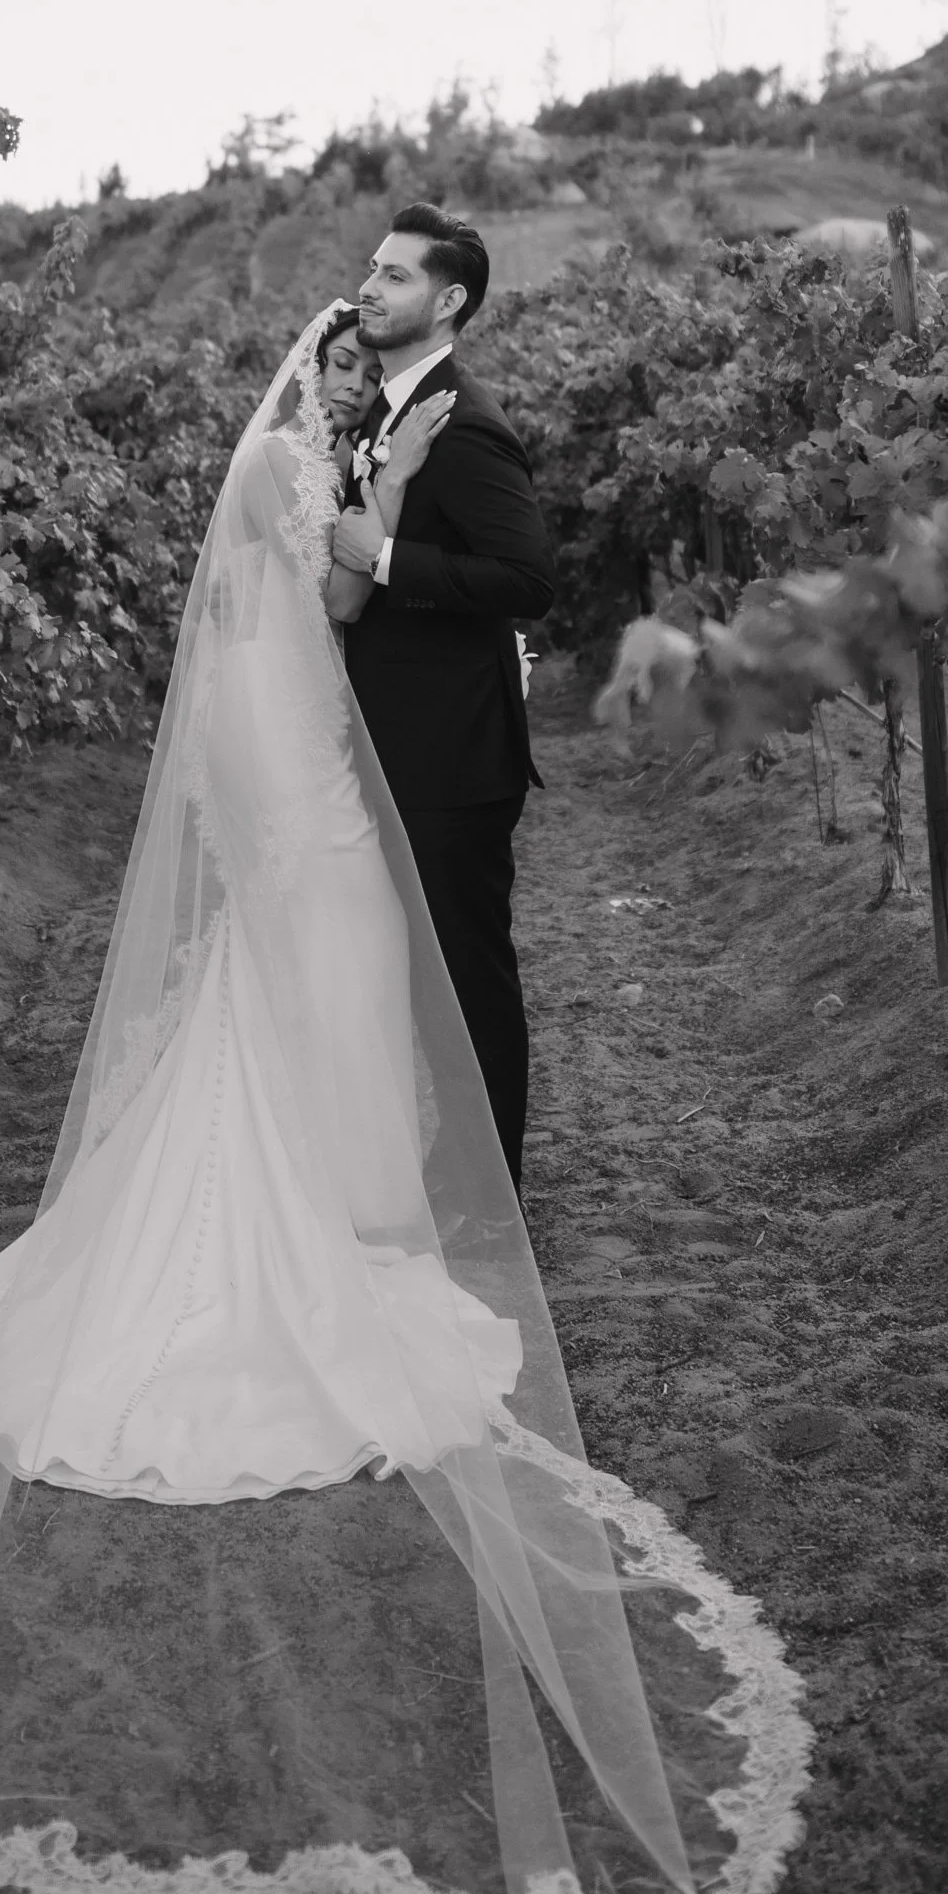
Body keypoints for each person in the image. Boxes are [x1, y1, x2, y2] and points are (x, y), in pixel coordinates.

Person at [0, 302, 807, 1894]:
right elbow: (319, 600)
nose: (345, 381)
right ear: (300, 374)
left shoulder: (320, 463)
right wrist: (369, 513)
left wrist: (376, 512)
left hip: (305, 715)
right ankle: (302, 1216)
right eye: (331, 360)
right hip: (282, 728)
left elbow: (349, 590)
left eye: (358, 364)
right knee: (313, 929)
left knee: (321, 963)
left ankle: (335, 1192)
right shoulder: (284, 458)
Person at [328, 207, 553, 1189]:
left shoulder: (463, 421)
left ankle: (486, 1190)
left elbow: (524, 577)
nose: (370, 286)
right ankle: (454, 1165)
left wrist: (380, 558)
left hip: (449, 757)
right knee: (425, 983)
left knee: (466, 979)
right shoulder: (388, 406)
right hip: (401, 741)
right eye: (371, 270)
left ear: (448, 298)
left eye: (396, 275)